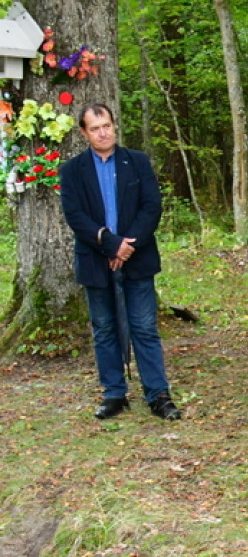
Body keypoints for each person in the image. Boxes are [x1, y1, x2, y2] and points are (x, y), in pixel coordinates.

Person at [60, 103, 181, 422]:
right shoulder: (73, 170)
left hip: (137, 258)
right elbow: (75, 216)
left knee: (143, 326)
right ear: (84, 133)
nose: (103, 132)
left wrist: (128, 246)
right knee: (104, 328)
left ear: (115, 126)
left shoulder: (137, 162)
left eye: (107, 125)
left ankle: (158, 393)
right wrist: (110, 244)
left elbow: (151, 207)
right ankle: (114, 393)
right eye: (95, 128)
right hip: (96, 259)